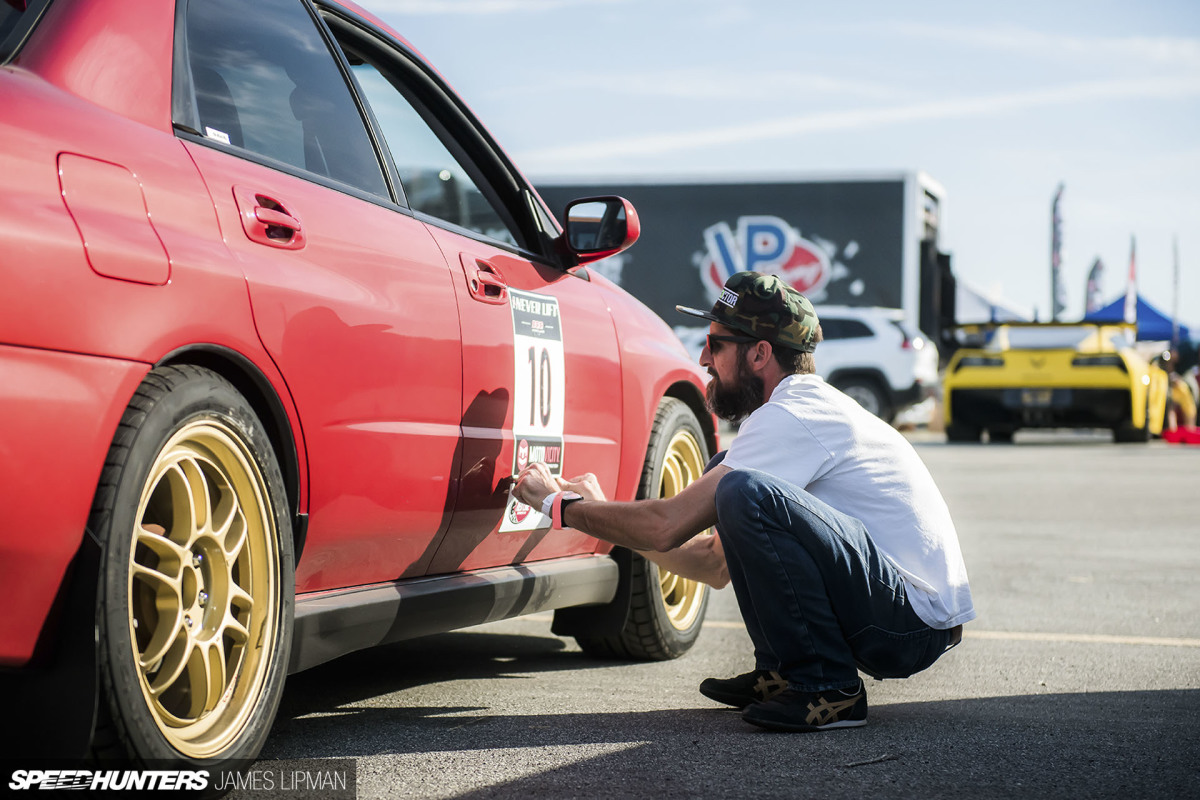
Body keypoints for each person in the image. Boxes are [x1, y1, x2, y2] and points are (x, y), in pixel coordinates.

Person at [513, 271, 974, 732]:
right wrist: (596, 515)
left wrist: (562, 506)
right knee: (729, 476)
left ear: (759, 353)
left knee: (741, 490)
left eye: (715, 344)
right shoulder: (788, 415)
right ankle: (782, 672)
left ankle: (829, 688)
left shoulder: (793, 413)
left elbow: (665, 524)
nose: (703, 358)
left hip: (907, 625)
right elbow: (711, 566)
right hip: (895, 612)